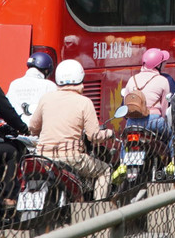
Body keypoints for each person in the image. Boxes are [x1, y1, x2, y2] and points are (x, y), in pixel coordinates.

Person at [28, 60, 114, 200]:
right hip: (71, 157)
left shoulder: (46, 99)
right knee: (105, 170)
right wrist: (109, 133)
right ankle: (100, 210)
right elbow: (93, 136)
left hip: (43, 157)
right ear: (80, 77)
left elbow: (33, 128)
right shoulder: (84, 102)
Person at [122, 48, 173, 139]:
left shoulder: (132, 79)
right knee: (171, 136)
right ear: (158, 65)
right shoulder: (163, 80)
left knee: (125, 142)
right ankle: (172, 153)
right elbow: (164, 110)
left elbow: (125, 104)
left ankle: (123, 154)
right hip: (154, 121)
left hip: (132, 122)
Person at [8, 51, 59, 120]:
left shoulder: (14, 84)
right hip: (39, 128)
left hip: (16, 127)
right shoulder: (49, 85)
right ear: (46, 70)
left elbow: (8, 106)